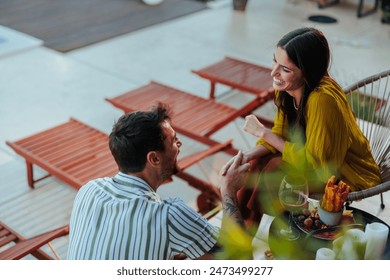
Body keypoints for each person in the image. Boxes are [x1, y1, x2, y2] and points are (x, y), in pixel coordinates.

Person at [221, 27, 381, 224]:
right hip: (309, 157)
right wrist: (245, 156)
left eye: (285, 69)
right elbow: (280, 133)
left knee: (274, 167)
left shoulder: (322, 100)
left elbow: (317, 164)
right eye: (275, 61)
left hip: (341, 169)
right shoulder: (286, 87)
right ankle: (240, 228)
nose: (274, 73)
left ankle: (274, 229)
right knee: (254, 163)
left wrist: (263, 131)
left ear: (307, 72)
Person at [67, 102, 250, 260]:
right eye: (174, 141)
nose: (179, 146)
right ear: (154, 159)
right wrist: (228, 189)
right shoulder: (169, 216)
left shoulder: (89, 190)